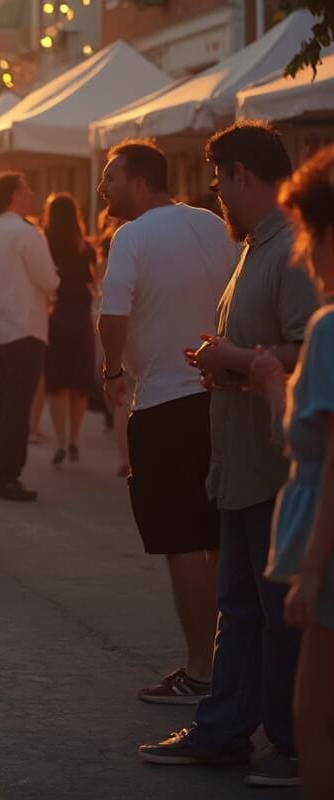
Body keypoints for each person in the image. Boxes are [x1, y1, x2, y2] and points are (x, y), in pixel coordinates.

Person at [137, 123, 316, 785]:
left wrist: (229, 358)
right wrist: (226, 363)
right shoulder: (255, 247)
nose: (216, 195)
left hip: (275, 463)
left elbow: (309, 349)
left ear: (243, 175)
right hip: (242, 458)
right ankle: (224, 729)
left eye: (218, 181)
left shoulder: (290, 249)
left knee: (277, 612)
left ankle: (296, 743)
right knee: (240, 606)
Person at [98, 139, 241, 703]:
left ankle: (202, 670)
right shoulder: (210, 223)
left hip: (162, 401)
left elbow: (113, 315)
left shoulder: (130, 236)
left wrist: (112, 370)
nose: (102, 188)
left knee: (182, 540)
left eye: (110, 177)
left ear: (139, 182)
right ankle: (233, 664)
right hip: (222, 393)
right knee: (223, 534)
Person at [257, 144, 334, 800]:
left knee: (315, 718)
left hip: (329, 545)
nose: (303, 251)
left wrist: (312, 568)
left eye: (308, 232)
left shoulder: (331, 327)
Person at [0, 172, 59, 502]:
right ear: (13, 195)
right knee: (16, 403)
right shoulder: (25, 232)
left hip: (0, 325)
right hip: (25, 325)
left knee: (2, 400)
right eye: (26, 189)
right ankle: (7, 474)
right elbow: (49, 280)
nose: (32, 192)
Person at [42, 193, 97, 467]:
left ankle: (61, 440)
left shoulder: (45, 244)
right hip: (81, 317)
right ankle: (75, 438)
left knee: (57, 385)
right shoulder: (85, 247)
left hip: (56, 316)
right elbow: (94, 282)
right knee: (79, 384)